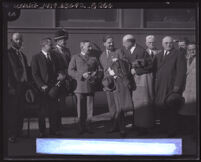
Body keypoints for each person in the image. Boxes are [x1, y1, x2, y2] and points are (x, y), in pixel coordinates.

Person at [99, 35, 134, 137]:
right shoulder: (101, 56)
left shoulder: (118, 52)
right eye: (109, 42)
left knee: (119, 107)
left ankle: (122, 129)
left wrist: (118, 62)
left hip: (118, 83)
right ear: (104, 44)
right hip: (108, 84)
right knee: (112, 108)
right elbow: (104, 70)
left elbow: (126, 64)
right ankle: (114, 126)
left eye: (112, 42)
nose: (111, 44)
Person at [153, 36, 187, 137]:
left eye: (170, 43)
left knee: (171, 109)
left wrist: (177, 86)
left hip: (171, 86)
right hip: (160, 86)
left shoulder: (178, 54)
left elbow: (181, 71)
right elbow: (153, 69)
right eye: (166, 43)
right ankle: (163, 128)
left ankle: (172, 130)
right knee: (161, 106)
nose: (168, 45)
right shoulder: (158, 55)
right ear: (162, 44)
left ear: (173, 43)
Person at [122, 34, 154, 136]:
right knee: (136, 104)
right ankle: (137, 124)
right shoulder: (128, 50)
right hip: (134, 81)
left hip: (142, 81)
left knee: (143, 104)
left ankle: (143, 128)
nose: (123, 45)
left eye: (124, 43)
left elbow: (150, 66)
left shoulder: (141, 51)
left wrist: (136, 70)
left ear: (130, 42)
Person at [68, 40, 102, 135]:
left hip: (91, 86)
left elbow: (100, 70)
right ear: (82, 47)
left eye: (90, 47)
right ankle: (80, 128)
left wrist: (96, 75)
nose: (90, 48)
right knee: (80, 109)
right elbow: (70, 71)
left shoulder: (94, 58)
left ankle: (88, 127)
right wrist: (81, 75)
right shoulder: (75, 57)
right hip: (79, 87)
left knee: (89, 109)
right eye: (88, 47)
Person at [31, 38, 61, 137]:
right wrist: (41, 85)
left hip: (53, 88)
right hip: (42, 89)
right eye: (50, 45)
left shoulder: (54, 57)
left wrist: (58, 81)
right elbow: (35, 74)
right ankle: (42, 131)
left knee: (53, 111)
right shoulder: (36, 57)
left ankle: (53, 130)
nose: (52, 46)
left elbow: (57, 71)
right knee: (42, 112)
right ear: (44, 46)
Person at [8, 33, 30, 143]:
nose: (19, 42)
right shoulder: (8, 54)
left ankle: (19, 131)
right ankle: (12, 134)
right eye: (16, 40)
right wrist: (10, 87)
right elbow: (6, 72)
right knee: (13, 111)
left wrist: (28, 87)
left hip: (23, 87)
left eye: (20, 40)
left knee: (21, 110)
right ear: (11, 41)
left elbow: (25, 71)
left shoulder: (22, 55)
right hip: (14, 87)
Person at [52, 29, 71, 131]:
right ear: (57, 41)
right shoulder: (53, 51)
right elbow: (52, 67)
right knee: (56, 104)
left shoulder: (67, 50)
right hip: (57, 81)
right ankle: (55, 126)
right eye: (62, 40)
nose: (64, 41)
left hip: (65, 81)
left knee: (62, 104)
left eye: (65, 39)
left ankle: (59, 125)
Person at [178, 42, 196, 139]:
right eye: (190, 49)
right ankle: (188, 131)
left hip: (195, 90)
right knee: (185, 111)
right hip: (186, 89)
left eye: (194, 49)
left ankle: (194, 133)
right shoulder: (184, 59)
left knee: (195, 112)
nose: (192, 51)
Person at [145, 35, 162, 127]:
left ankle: (158, 120)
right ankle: (149, 120)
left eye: (153, 42)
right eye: (149, 42)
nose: (151, 44)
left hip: (158, 80)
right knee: (148, 100)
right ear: (146, 43)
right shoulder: (143, 53)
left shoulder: (160, 52)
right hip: (147, 80)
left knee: (157, 100)